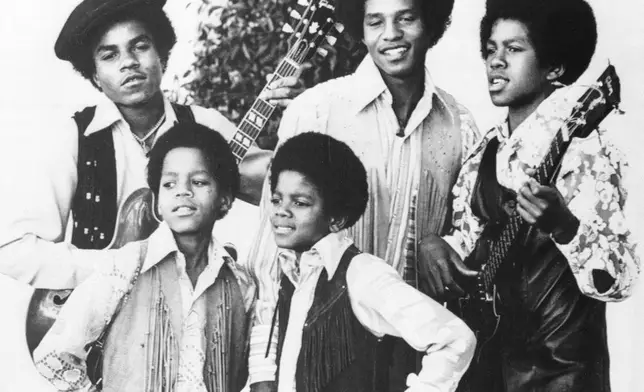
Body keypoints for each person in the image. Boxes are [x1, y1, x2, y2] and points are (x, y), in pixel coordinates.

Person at [245, 0, 481, 389]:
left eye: (406, 18)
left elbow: (467, 236)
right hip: (322, 355)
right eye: (376, 21)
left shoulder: (460, 124)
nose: (391, 34)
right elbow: (272, 257)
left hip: (415, 358)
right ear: (361, 27)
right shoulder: (316, 110)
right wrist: (262, 371)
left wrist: (442, 241)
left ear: (431, 23)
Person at [0, 0, 303, 289]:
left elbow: (279, 187)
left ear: (161, 54)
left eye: (140, 46)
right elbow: (13, 249)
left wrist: (298, 118)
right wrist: (114, 267)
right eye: (109, 55)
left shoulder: (203, 125)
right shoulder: (76, 137)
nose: (129, 63)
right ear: (94, 74)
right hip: (103, 318)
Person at [424, 0, 640, 391]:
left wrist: (565, 227)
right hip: (487, 364)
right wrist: (435, 246)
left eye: (514, 49)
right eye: (491, 49)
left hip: (562, 372)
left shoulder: (584, 148)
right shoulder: (483, 153)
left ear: (555, 66)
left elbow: (622, 278)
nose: (496, 61)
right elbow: (470, 249)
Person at [33, 123, 256, 392]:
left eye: (198, 182)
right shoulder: (125, 267)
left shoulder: (241, 283)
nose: (182, 191)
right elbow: (53, 357)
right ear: (158, 204)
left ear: (224, 200)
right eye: (169, 183)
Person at [265, 132, 475, 392]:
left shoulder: (362, 273)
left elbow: (456, 338)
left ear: (337, 219)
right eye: (276, 199)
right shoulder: (293, 272)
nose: (281, 210)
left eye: (300, 202)